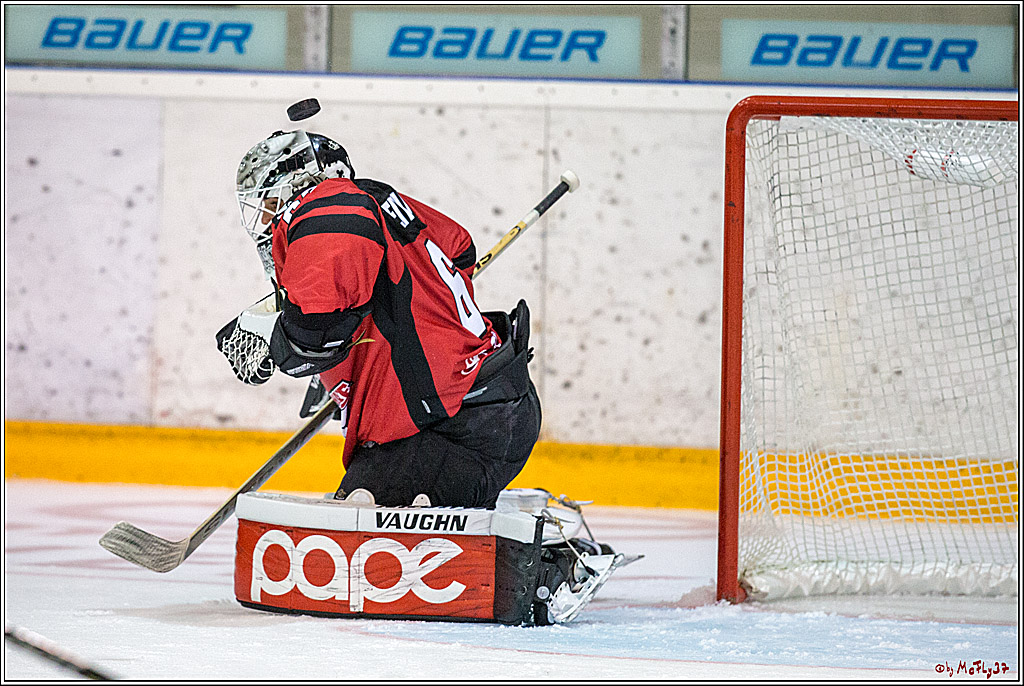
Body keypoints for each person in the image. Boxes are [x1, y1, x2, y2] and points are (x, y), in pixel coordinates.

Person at [216, 128, 542, 509]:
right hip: (488, 407)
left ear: (302, 182)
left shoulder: (330, 203)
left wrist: (277, 340)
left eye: (270, 202)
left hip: (451, 427)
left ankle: (544, 563)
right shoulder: (380, 200)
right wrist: (351, 363)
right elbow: (461, 250)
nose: (266, 218)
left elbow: (315, 333)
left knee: (357, 527)